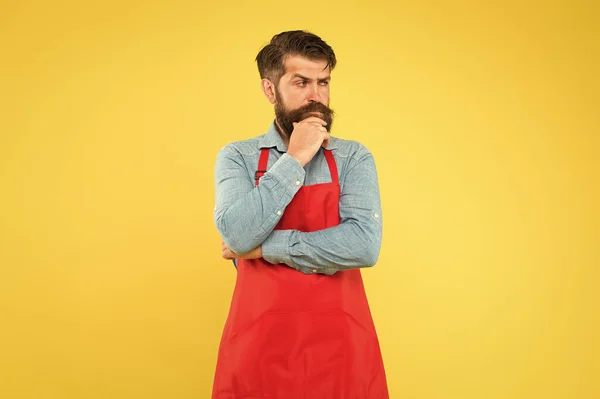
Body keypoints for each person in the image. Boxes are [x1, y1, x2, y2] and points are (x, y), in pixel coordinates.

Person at [211, 30, 389, 399]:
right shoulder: (238, 157)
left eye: (323, 82)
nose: (316, 95)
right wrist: (295, 159)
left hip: (341, 350)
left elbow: (363, 246)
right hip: (258, 348)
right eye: (301, 82)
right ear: (270, 89)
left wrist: (265, 249)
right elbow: (238, 235)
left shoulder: (353, 157)